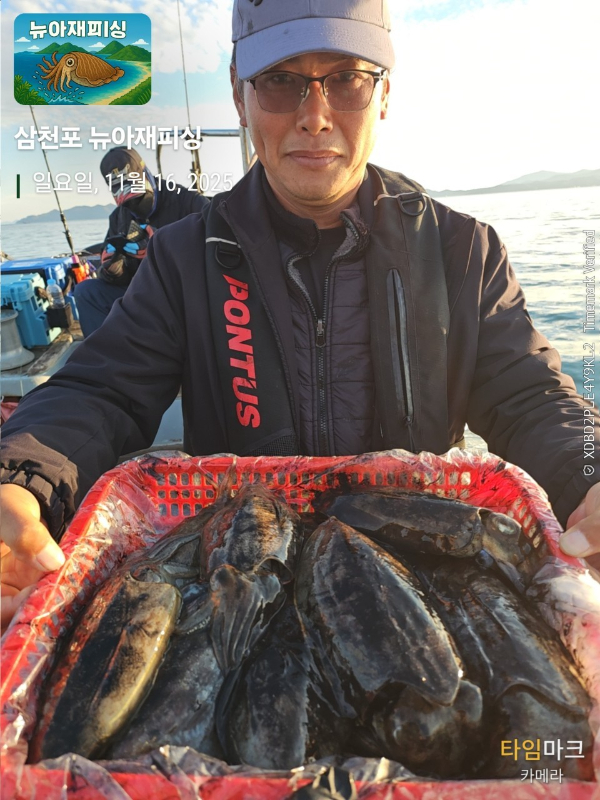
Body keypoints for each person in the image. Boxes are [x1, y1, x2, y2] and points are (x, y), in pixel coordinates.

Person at [1, 0, 599, 632]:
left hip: (421, 583)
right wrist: (19, 480)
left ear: (384, 95)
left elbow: (530, 397)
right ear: (240, 95)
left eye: (347, 79)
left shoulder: (464, 251)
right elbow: (102, 389)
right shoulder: (182, 257)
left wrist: (588, 474)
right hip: (243, 585)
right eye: (281, 80)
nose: (315, 116)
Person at [74, 146, 209, 336]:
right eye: (127, 202)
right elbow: (116, 276)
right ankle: (108, 352)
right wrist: (113, 270)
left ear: (145, 173)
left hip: (183, 293)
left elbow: (217, 251)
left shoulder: (189, 202)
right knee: (86, 292)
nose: (133, 206)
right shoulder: (118, 217)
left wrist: (163, 248)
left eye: (137, 196)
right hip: (142, 293)